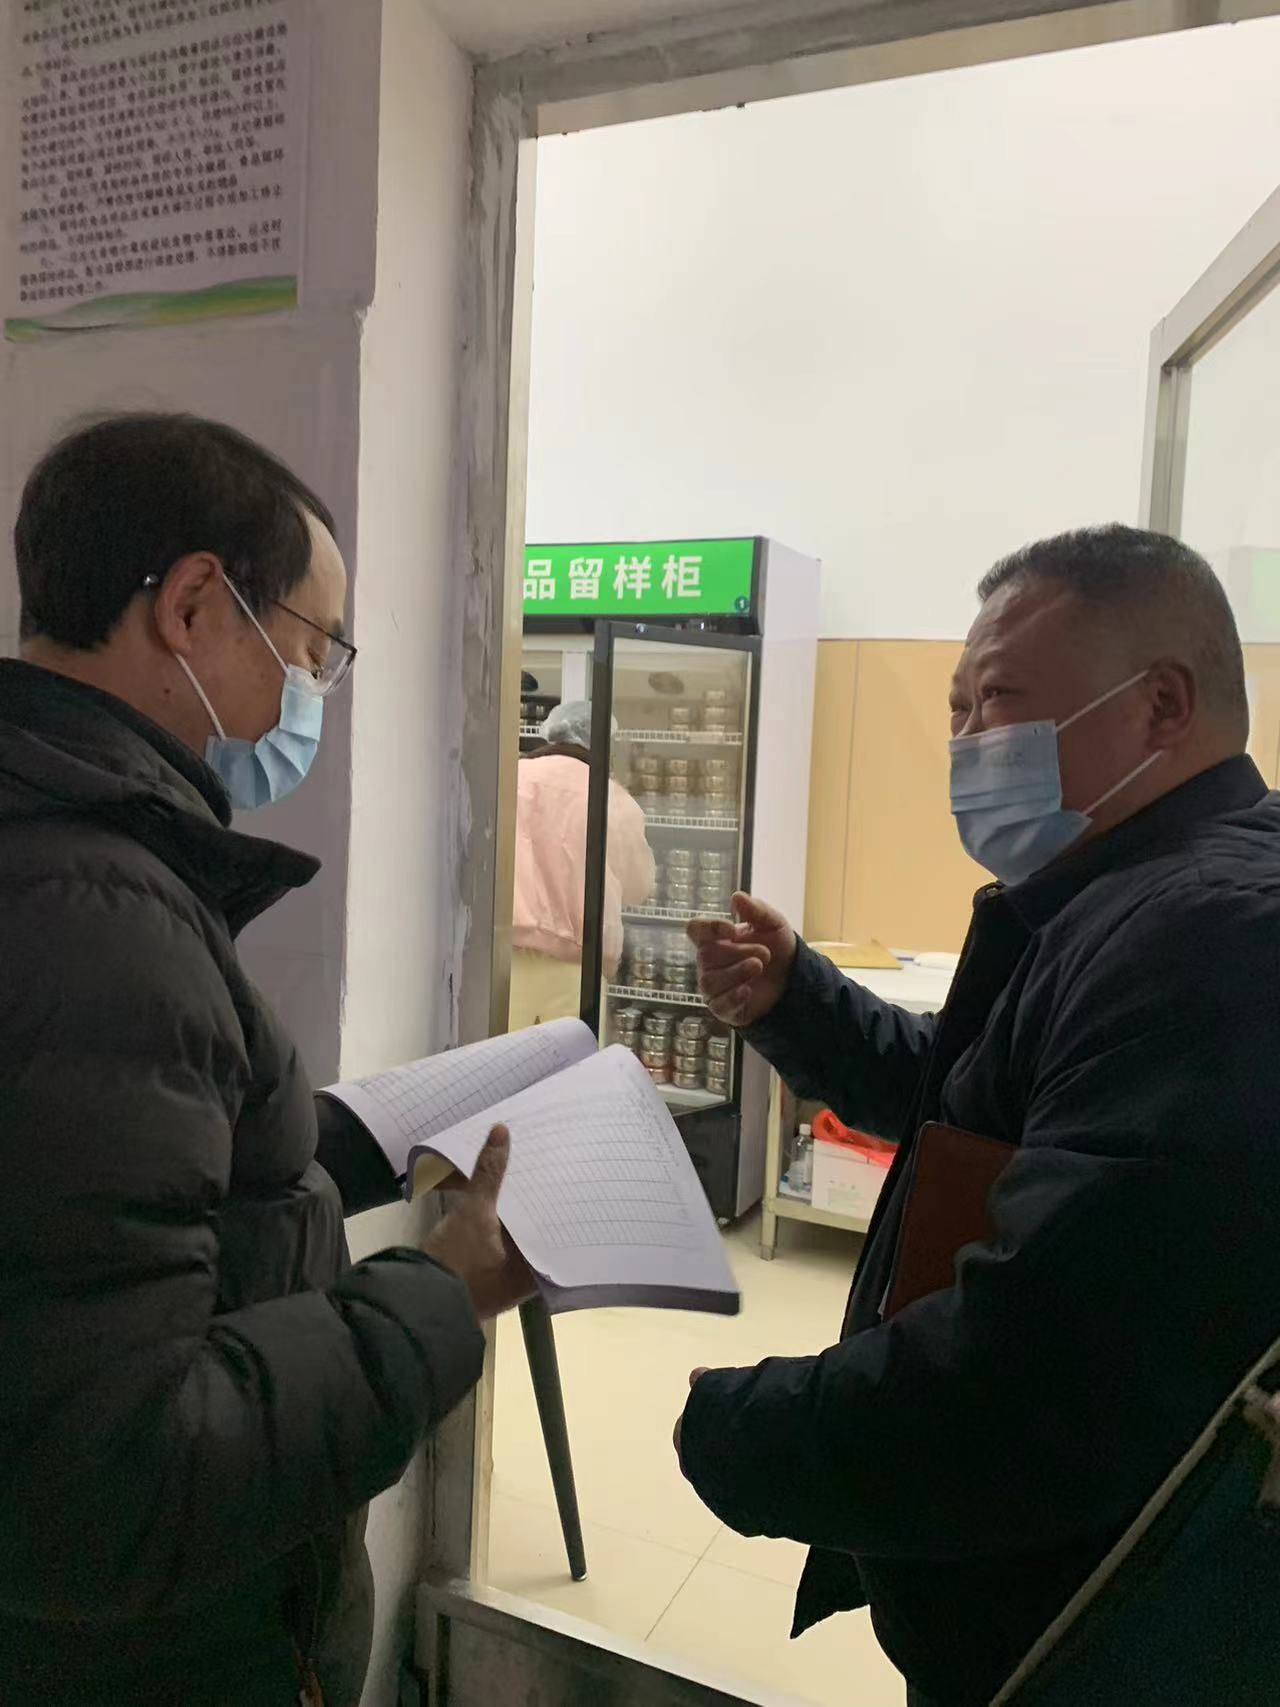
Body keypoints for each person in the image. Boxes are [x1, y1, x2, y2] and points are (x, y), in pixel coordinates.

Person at [678, 525, 1280, 1707]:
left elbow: (1036, 1381)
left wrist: (736, 1428)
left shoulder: (1209, 938)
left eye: (994, 701)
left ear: (1159, 704)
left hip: (1099, 1637)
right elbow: (979, 1117)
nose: (962, 743)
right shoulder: (1115, 897)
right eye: (953, 708)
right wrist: (798, 1001)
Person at [0, 413, 531, 1707]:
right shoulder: (96, 910)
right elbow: (110, 1483)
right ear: (192, 605)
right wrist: (439, 1294)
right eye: (311, 646)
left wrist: (336, 1138)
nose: (312, 692)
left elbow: (112, 1188)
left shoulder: (59, 838)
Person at [509, 699, 655, 1029]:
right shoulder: (612, 798)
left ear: (551, 733)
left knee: (504, 1056)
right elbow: (638, 887)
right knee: (570, 1058)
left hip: (508, 956)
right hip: (578, 965)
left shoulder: (512, 777)